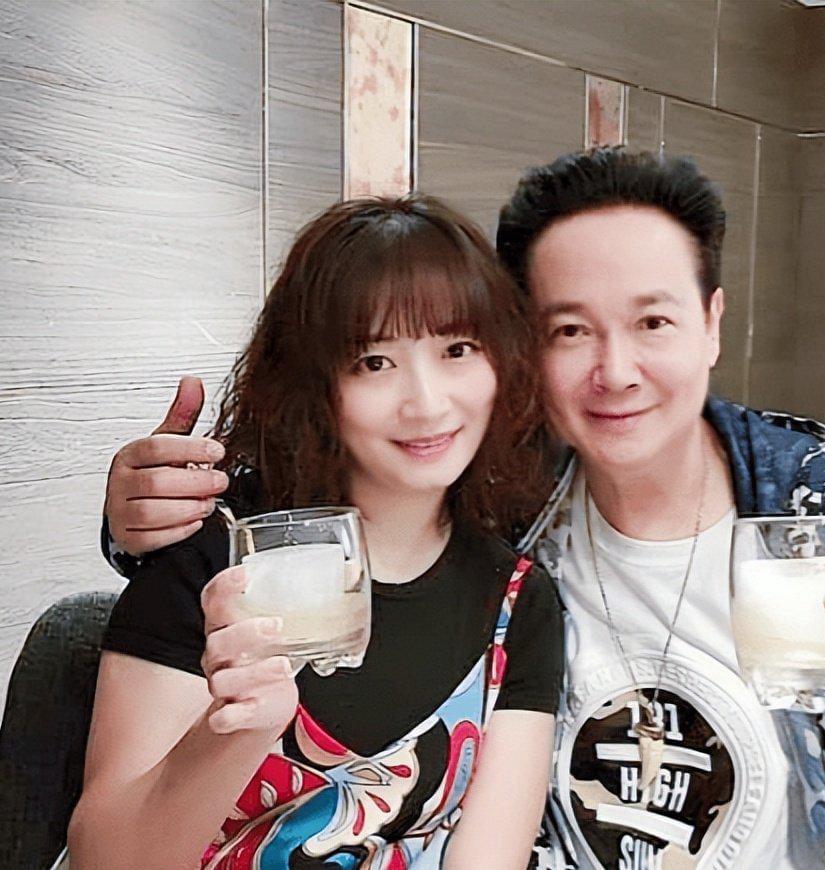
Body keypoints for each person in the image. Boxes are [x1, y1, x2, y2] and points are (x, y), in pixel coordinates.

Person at [100, 149, 825, 869]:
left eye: (653, 320)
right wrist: (143, 514)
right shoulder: (509, 500)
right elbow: (308, 517)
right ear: (524, 348)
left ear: (711, 323)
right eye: (571, 330)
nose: (616, 372)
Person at [67, 195, 564, 869]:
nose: (427, 403)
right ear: (313, 380)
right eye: (374, 362)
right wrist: (235, 730)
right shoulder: (218, 554)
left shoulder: (515, 604)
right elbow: (105, 860)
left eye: (458, 349)